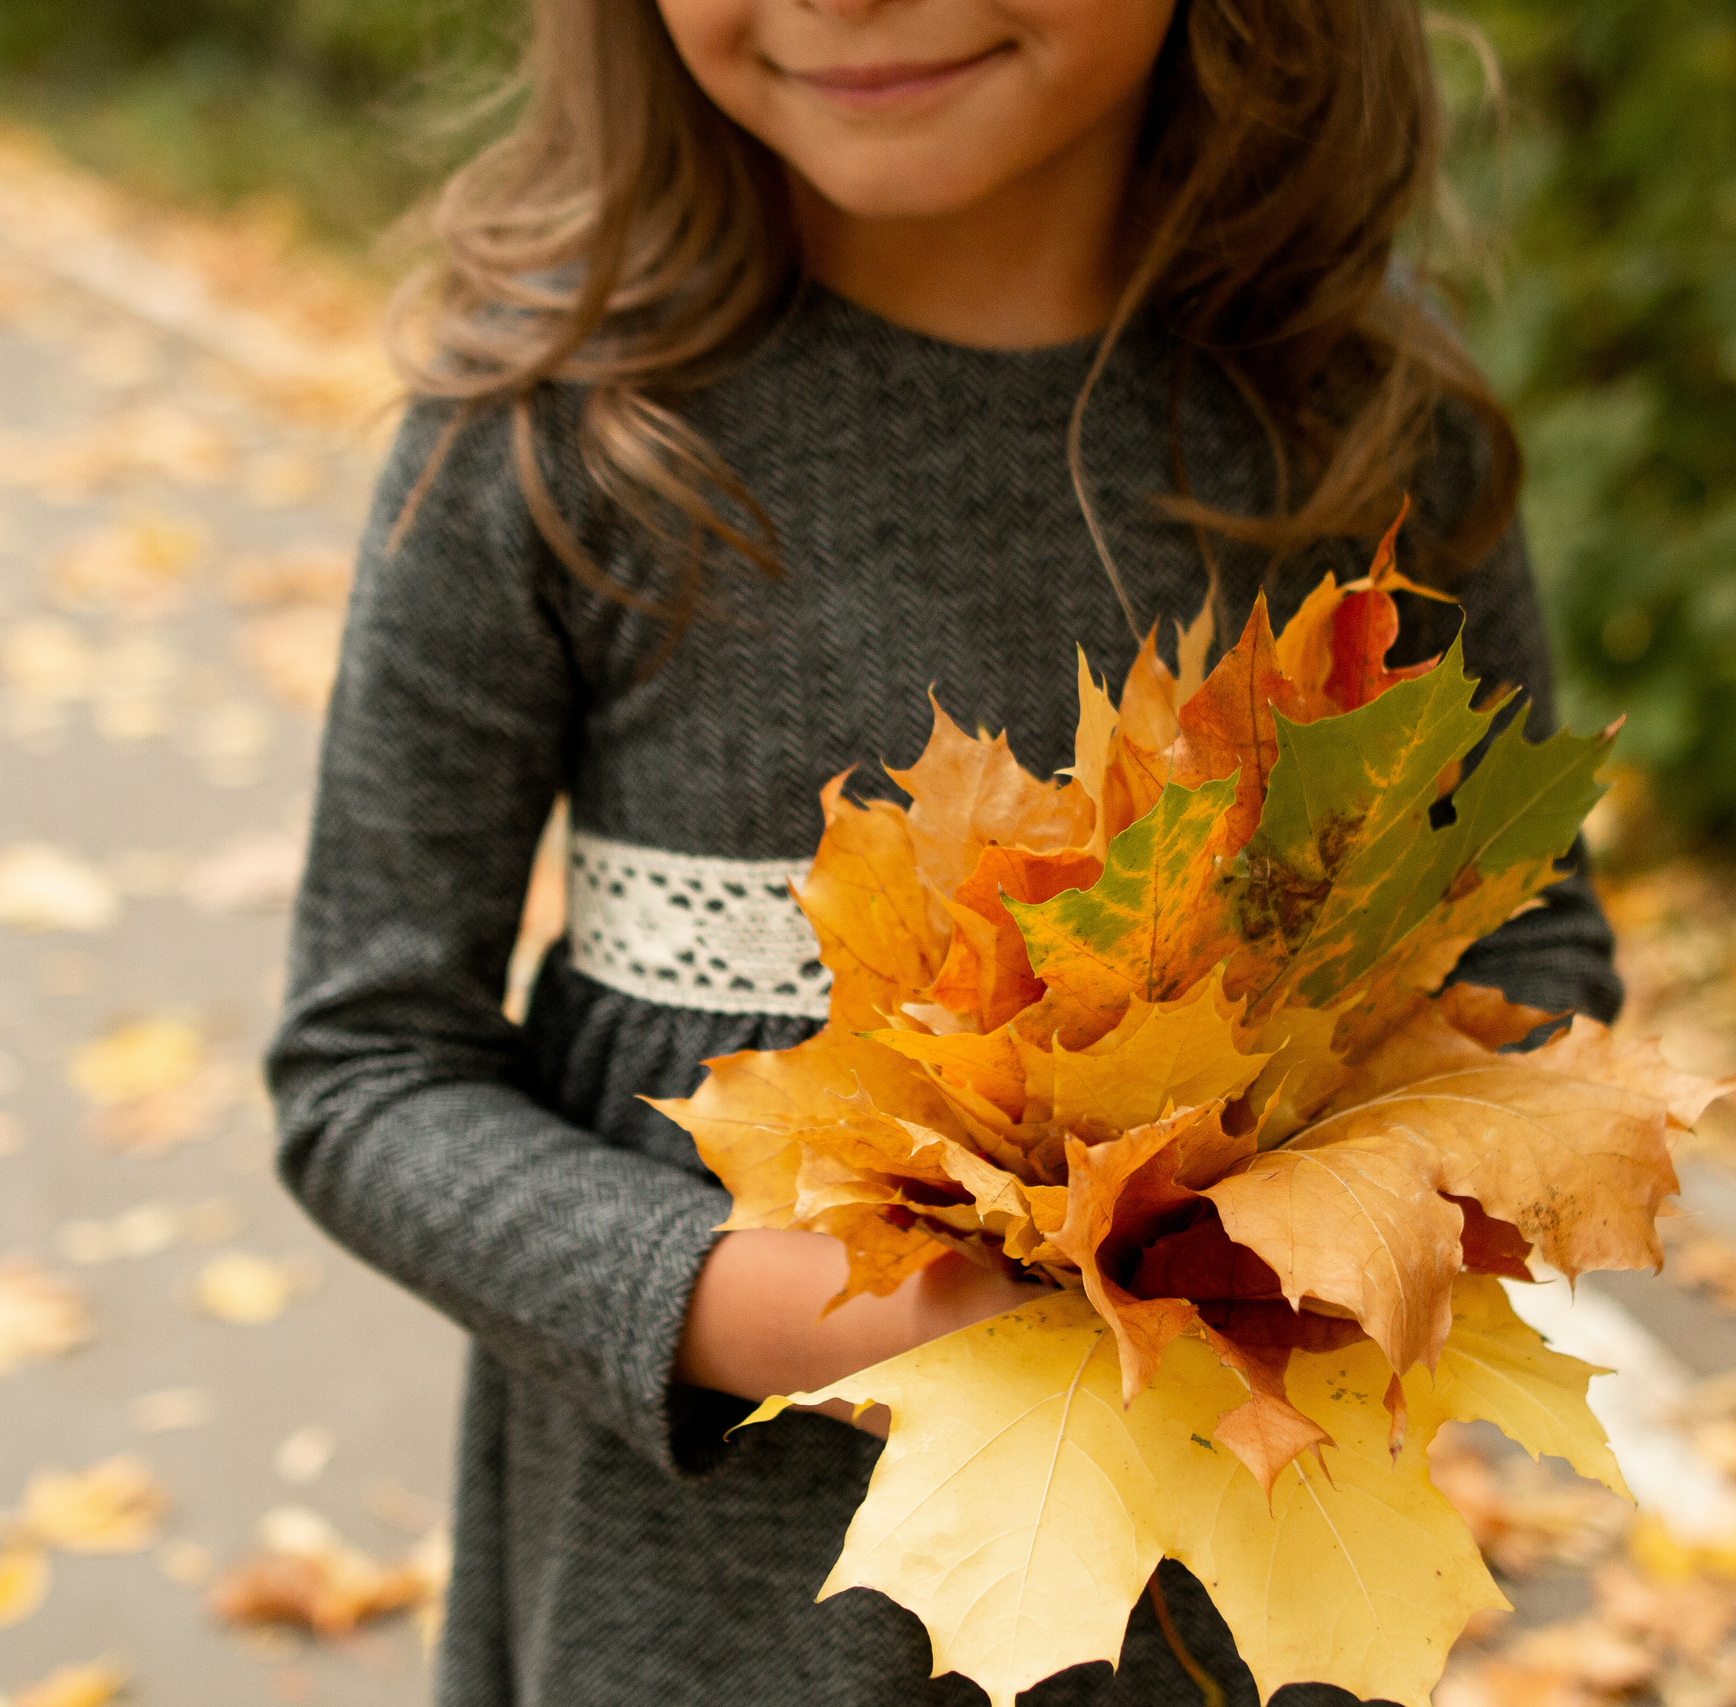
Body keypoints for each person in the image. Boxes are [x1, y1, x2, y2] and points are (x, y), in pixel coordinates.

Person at [266, 2, 1623, 1702]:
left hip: (1223, 1561)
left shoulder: (1358, 427)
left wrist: (1314, 1229)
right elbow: (365, 1071)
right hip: (693, 1613)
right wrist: (796, 1313)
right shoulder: (556, 436)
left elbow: (1520, 941)